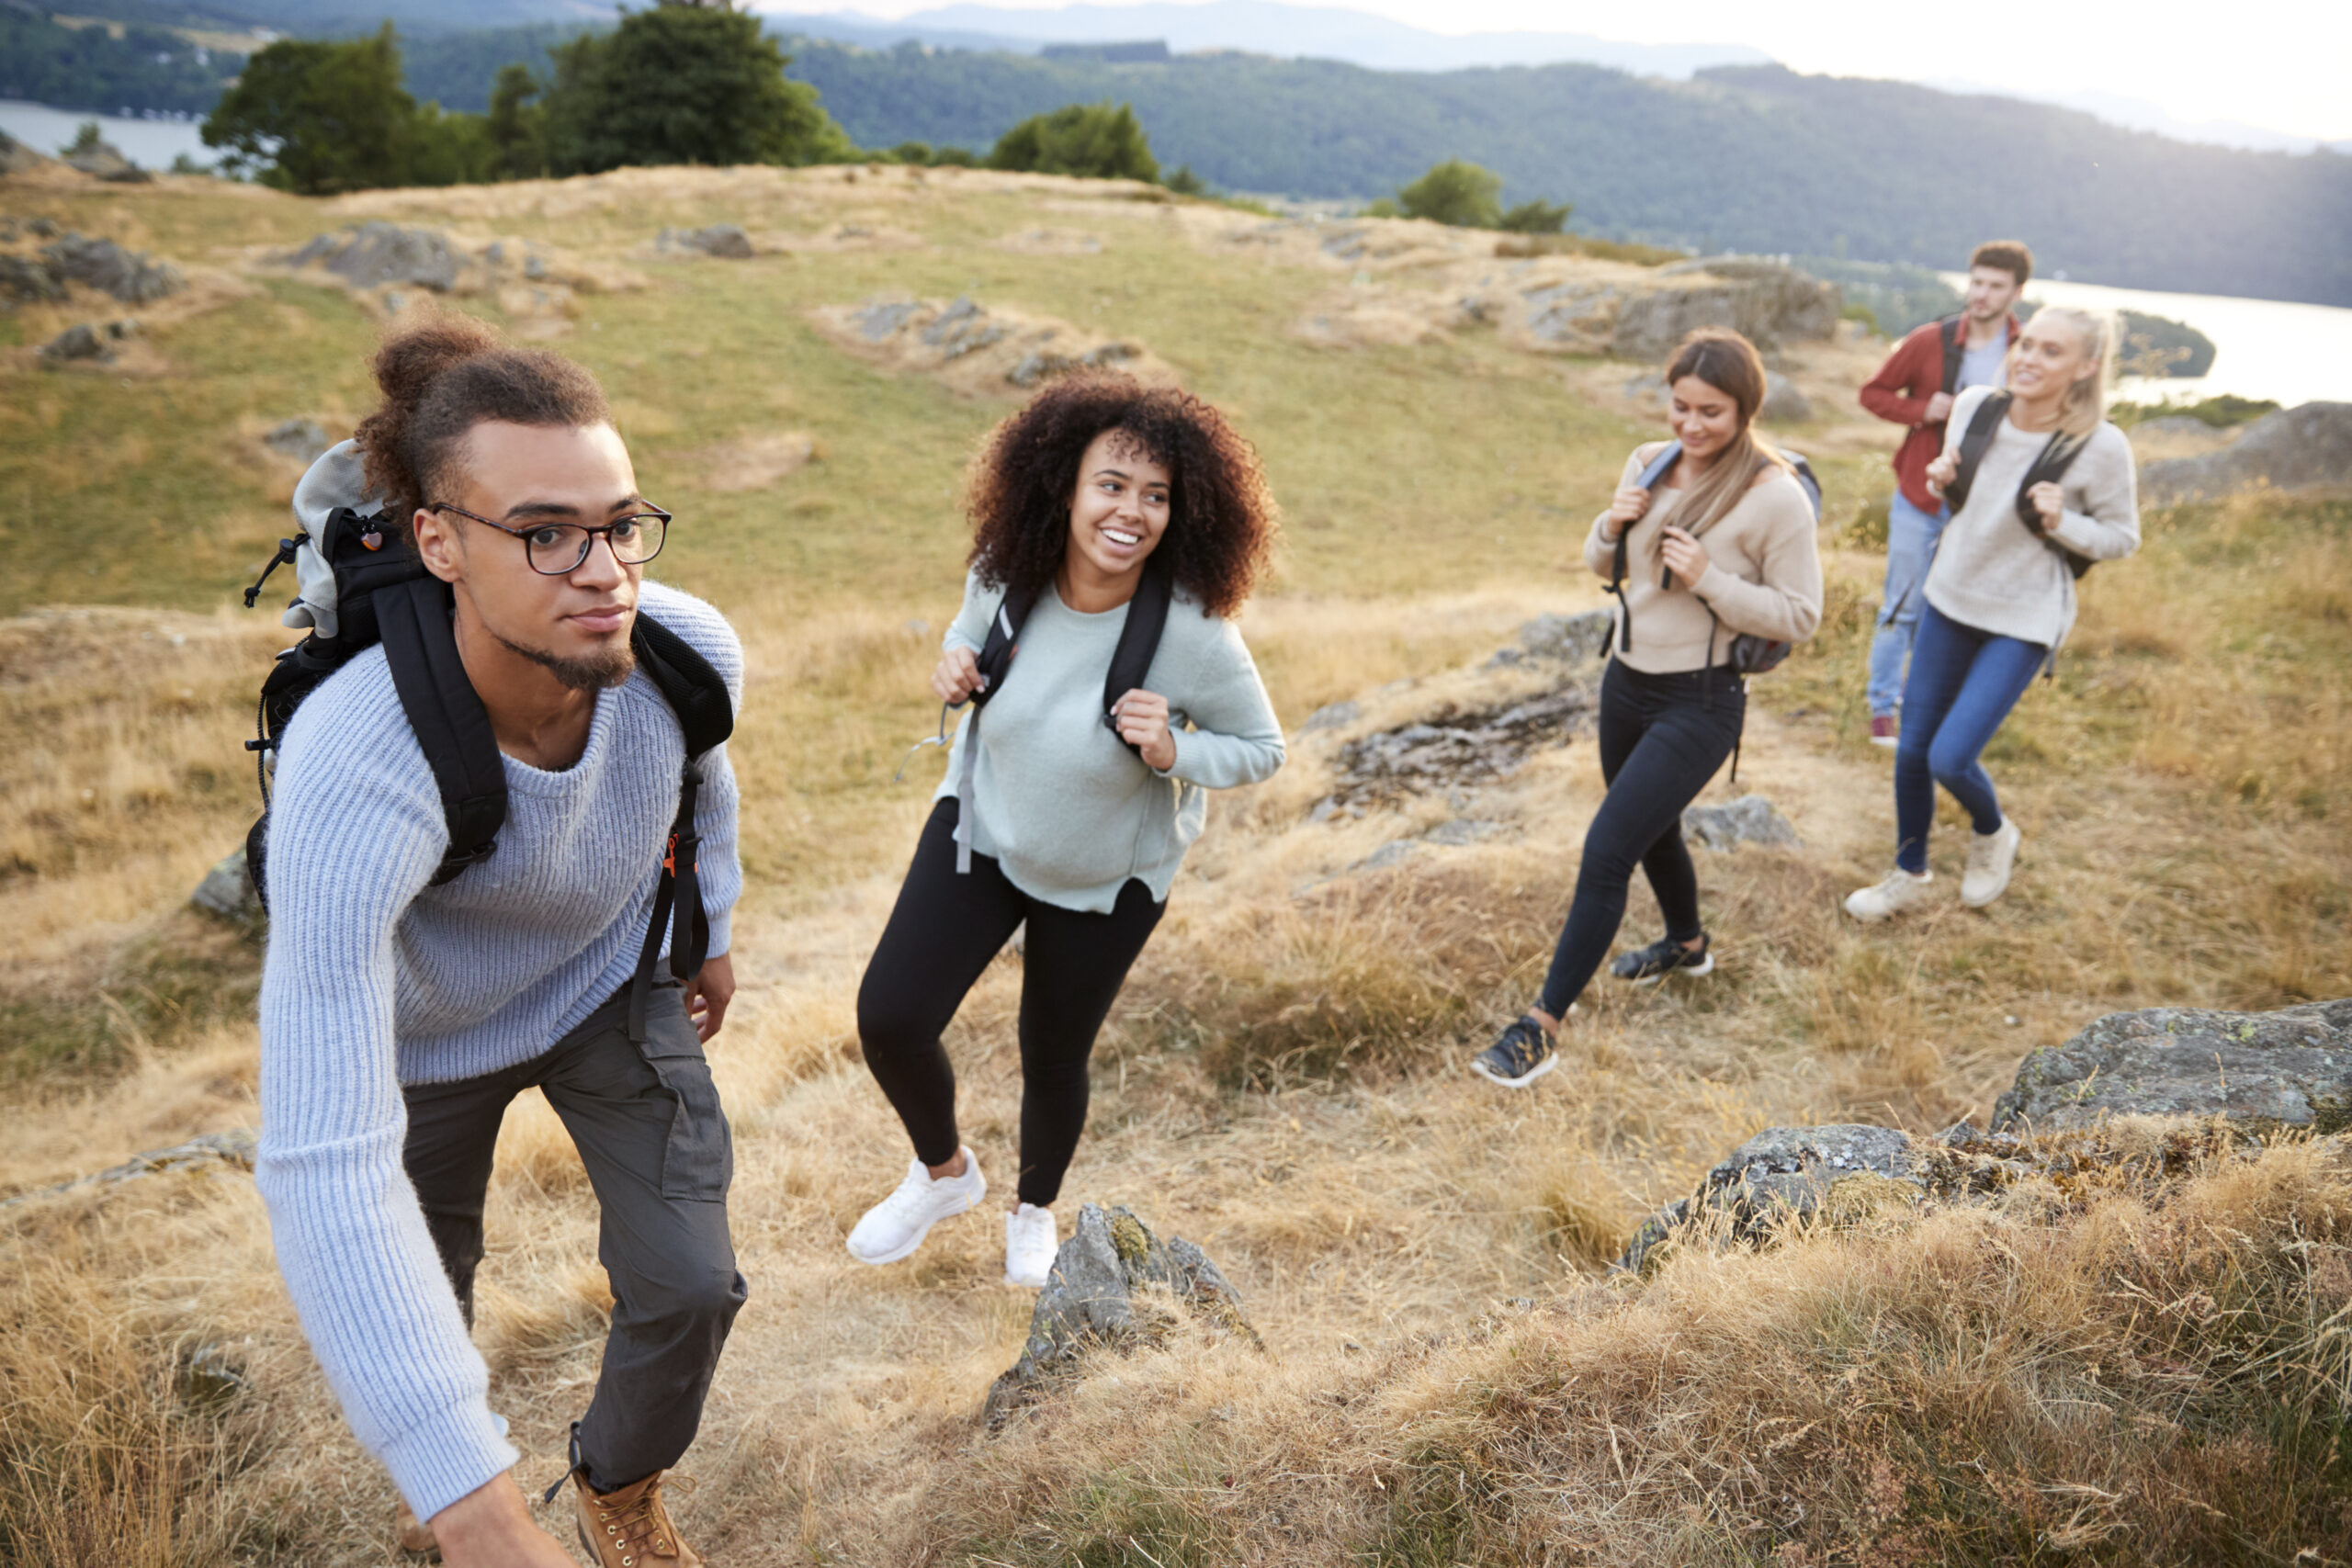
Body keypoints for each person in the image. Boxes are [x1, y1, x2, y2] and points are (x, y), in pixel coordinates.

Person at [255, 316, 746, 1568]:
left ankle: (616, 1483)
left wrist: (713, 929)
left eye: (620, 523)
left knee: (692, 1281)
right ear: (439, 543)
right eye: (544, 533)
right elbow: (319, 1160)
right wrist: (484, 1522)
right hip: (425, 1036)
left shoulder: (683, 647)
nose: (601, 570)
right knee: (431, 1289)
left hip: (603, 979)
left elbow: (702, 773)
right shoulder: (359, 764)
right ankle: (450, 1515)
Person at [847, 373, 1283, 1287]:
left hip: (1106, 881)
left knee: (1051, 1053)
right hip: (984, 832)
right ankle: (944, 1175)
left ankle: (1032, 1210)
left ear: (1184, 510)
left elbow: (1260, 747)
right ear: (1066, 487)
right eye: (1112, 485)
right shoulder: (1008, 573)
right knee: (889, 1015)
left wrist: (1174, 752)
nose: (1132, 512)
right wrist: (955, 665)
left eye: (1156, 495)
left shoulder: (1196, 633)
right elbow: (966, 637)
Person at [1473, 328, 1823, 1089]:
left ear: (1746, 410)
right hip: (1626, 682)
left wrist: (1710, 580)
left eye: (1712, 413)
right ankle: (1688, 946)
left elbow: (1800, 615)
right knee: (1653, 826)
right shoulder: (1647, 460)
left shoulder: (1776, 498)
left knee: (1608, 850)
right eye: (1681, 407)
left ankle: (1539, 1028)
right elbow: (1604, 564)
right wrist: (1611, 522)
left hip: (1701, 700)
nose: (1692, 427)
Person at [1845, 305, 2138, 922]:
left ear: (2086, 367)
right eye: (2026, 343)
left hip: (2025, 615)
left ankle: (1994, 831)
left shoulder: (2101, 445)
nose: (2028, 357)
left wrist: (2068, 520)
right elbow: (1965, 503)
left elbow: (2122, 538)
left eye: (2051, 351)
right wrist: (1945, 478)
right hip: (1950, 595)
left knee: (1949, 756)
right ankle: (1908, 871)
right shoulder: (1977, 406)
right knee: (1911, 750)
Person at [1859, 241, 2032, 747]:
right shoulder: (1928, 340)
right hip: (1919, 495)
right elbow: (1872, 393)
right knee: (1902, 604)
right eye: (1976, 282)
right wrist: (1922, 411)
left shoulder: (2026, 348)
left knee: (1953, 611)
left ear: (2017, 291)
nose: (1981, 294)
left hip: (1983, 506)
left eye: (1995, 286)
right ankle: (1881, 711)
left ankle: (1923, 709)